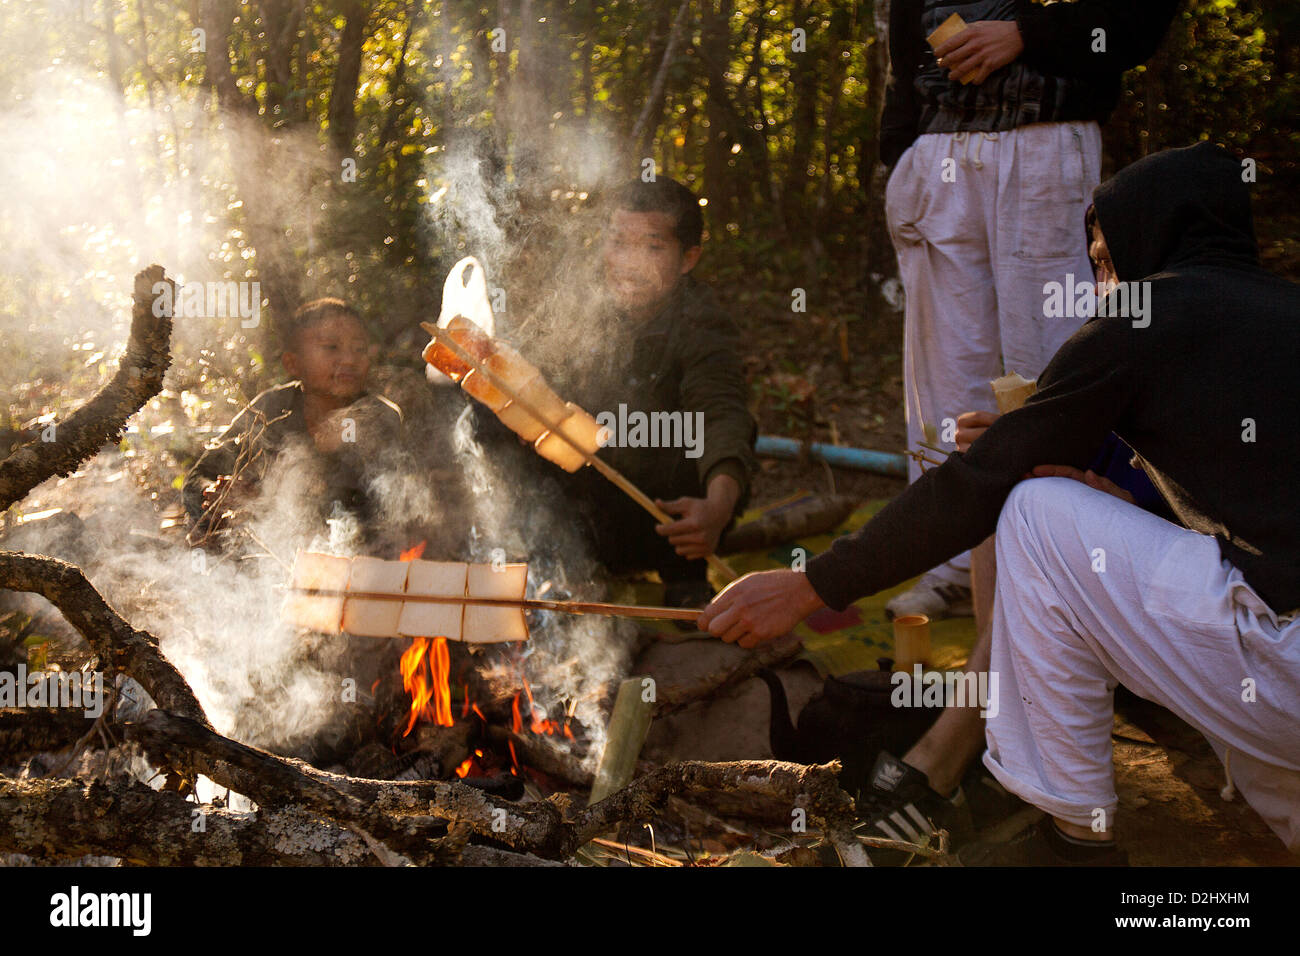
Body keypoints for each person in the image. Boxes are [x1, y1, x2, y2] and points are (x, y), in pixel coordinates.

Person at [700, 143, 1300, 862]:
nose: (1101, 285)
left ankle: (1072, 834)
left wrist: (812, 584)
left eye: (1104, 262)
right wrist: (1115, 500)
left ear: (1148, 243)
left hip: (1282, 663)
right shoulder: (1278, 311)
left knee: (1034, 509)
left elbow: (981, 484)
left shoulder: (1148, 311)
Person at [879, 0, 1178, 621]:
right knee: (945, 381)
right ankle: (953, 567)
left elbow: (1140, 21)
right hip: (935, 153)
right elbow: (902, 46)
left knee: (1053, 369)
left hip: (1045, 146)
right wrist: (900, 151)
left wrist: (1027, 34)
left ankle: (1065, 572)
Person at [561, 177, 757, 609]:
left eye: (652, 248)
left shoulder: (701, 322)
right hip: (584, 512)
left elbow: (721, 413)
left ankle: (685, 574)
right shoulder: (580, 308)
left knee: (674, 429)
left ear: (688, 259)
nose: (630, 263)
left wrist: (719, 506)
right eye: (618, 243)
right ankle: (560, 562)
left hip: (666, 522)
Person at [183, 297, 405, 550]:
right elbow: (198, 477)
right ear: (293, 364)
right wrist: (217, 493)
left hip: (354, 559)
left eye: (359, 349)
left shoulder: (379, 417)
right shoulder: (270, 409)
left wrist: (263, 501)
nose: (349, 360)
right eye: (331, 347)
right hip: (266, 559)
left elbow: (385, 506)